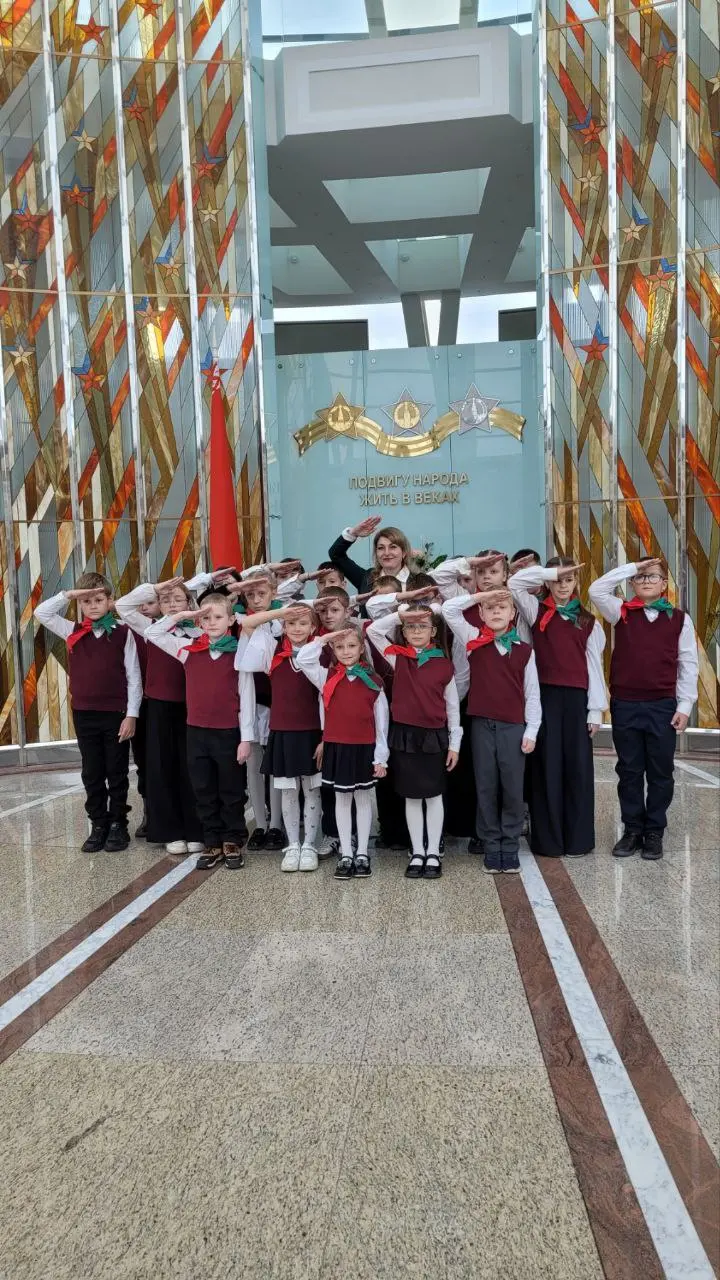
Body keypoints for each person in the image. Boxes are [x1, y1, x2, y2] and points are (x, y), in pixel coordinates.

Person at [589, 557, 699, 860]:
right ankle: (632, 829)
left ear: (664, 584)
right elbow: (596, 590)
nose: (646, 580)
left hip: (662, 705)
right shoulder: (621, 611)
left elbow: (688, 664)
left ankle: (654, 831)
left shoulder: (680, 619)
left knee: (661, 771)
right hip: (625, 704)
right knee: (629, 770)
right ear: (632, 583)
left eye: (653, 576)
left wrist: (685, 705)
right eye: (640, 577)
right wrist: (632, 568)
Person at [145, 593, 255, 869]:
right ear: (198, 621)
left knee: (231, 790)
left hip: (228, 732)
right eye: (206, 617)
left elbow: (247, 696)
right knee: (203, 789)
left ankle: (232, 839)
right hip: (196, 732)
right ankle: (212, 841)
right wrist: (183, 615)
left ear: (231, 620)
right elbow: (152, 632)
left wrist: (246, 738)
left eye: (218, 617)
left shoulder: (239, 653)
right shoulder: (188, 649)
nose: (212, 622)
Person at [35, 572, 142, 853]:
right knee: (92, 772)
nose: (93, 606)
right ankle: (98, 823)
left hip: (116, 713)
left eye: (98, 600)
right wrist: (69, 595)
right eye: (86, 601)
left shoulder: (123, 633)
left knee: (116, 770)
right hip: (84, 713)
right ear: (79, 604)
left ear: (109, 601)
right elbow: (41, 612)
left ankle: (118, 823)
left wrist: (131, 714)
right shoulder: (72, 630)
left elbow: (134, 676)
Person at [509, 557, 608, 858]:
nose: (563, 585)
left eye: (568, 579)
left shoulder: (588, 621)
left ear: (576, 582)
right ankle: (548, 840)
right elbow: (515, 583)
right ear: (547, 582)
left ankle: (578, 839)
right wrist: (550, 571)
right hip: (545, 698)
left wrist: (595, 710)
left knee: (578, 769)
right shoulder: (535, 611)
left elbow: (594, 667)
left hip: (577, 701)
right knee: (546, 768)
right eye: (557, 579)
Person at [443, 587, 541, 873]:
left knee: (512, 788)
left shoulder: (524, 651)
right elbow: (449, 610)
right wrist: (478, 597)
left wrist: (532, 730)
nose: (496, 611)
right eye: (490, 607)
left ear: (513, 614)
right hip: (481, 726)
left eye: (502, 607)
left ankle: (509, 845)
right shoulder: (473, 639)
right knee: (485, 786)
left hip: (513, 727)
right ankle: (490, 844)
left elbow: (532, 693)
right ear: (481, 613)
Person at [367, 604, 461, 879]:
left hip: (434, 737)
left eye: (422, 626)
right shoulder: (398, 658)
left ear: (433, 631)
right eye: (411, 626)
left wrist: (454, 744)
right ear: (404, 632)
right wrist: (401, 615)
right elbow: (373, 631)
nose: (417, 631)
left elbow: (452, 707)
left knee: (433, 796)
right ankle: (417, 850)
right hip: (405, 736)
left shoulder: (444, 665)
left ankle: (433, 852)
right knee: (411, 796)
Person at [115, 576, 204, 857]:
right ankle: (170, 831)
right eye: (166, 600)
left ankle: (195, 829)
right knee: (162, 767)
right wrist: (154, 589)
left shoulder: (200, 631)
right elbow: (122, 605)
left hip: (193, 706)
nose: (173, 604)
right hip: (160, 706)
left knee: (191, 768)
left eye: (178, 599)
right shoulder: (150, 627)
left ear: (189, 602)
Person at [296, 626, 389, 879]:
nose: (346, 651)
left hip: (364, 747)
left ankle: (362, 853)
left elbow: (382, 723)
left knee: (363, 798)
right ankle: (346, 852)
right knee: (342, 800)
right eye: (340, 647)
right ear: (333, 650)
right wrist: (324, 639)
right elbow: (303, 658)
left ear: (361, 648)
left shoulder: (374, 681)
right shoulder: (326, 677)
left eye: (351, 646)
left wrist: (381, 757)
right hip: (337, 747)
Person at [239, 601, 323, 872]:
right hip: (283, 732)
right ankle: (293, 844)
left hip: (312, 732)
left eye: (303, 623)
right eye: (291, 623)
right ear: (283, 626)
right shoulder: (271, 649)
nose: (297, 628)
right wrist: (281, 612)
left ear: (313, 627)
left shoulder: (321, 652)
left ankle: (309, 844)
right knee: (288, 791)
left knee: (311, 790)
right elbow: (247, 623)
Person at [223, 571, 285, 851]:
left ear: (274, 593)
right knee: (254, 767)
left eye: (262, 593)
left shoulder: (283, 621)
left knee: (276, 767)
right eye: (251, 594)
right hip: (252, 701)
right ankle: (260, 824)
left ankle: (276, 825)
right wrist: (237, 590)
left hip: (280, 703)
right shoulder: (239, 621)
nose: (257, 599)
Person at [328, 516, 415, 593]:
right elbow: (336, 554)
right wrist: (353, 533)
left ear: (404, 552)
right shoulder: (366, 578)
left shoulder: (417, 580)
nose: (386, 553)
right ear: (376, 552)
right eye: (381, 548)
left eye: (393, 547)